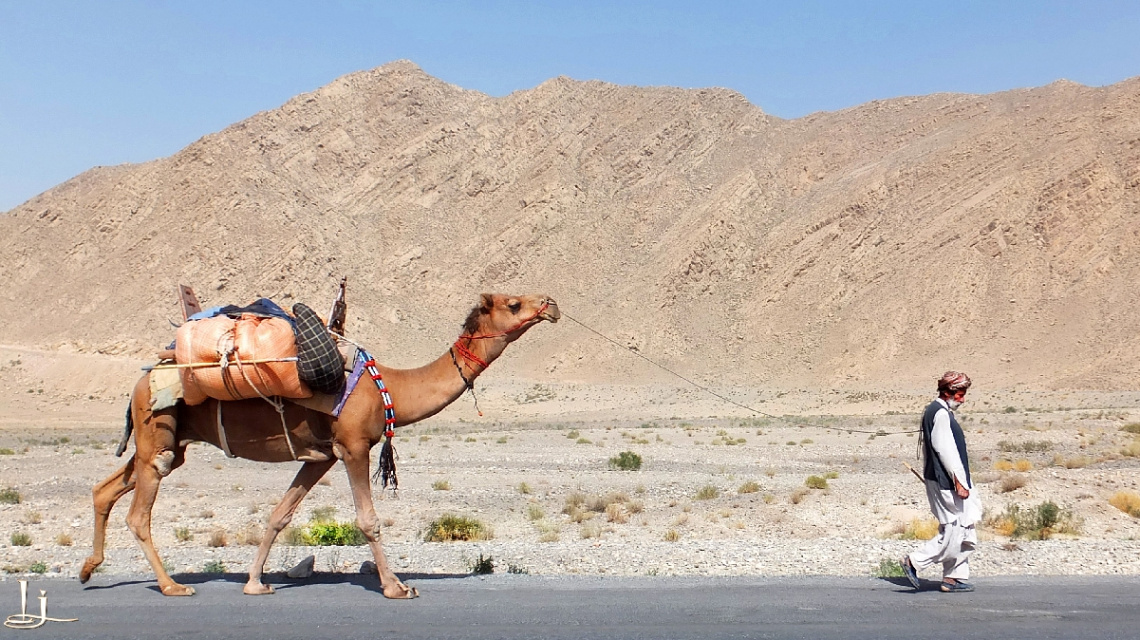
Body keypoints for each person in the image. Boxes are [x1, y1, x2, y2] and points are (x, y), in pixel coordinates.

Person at [902, 371, 982, 592]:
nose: (962, 400)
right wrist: (959, 482)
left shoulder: (937, 411)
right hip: (946, 481)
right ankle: (914, 561)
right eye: (959, 395)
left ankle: (953, 577)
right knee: (954, 529)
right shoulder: (941, 414)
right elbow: (945, 450)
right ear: (948, 392)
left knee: (965, 527)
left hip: (944, 478)